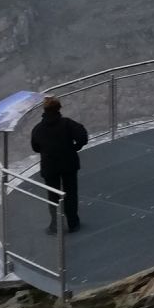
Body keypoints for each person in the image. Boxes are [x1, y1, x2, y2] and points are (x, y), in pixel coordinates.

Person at [30, 97, 88, 234]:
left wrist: (47, 150)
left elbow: (35, 147)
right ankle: (73, 223)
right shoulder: (67, 124)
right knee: (71, 193)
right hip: (69, 163)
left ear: (44, 110)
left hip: (50, 166)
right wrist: (75, 147)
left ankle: (56, 226)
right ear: (59, 109)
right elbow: (82, 135)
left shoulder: (38, 129)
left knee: (53, 196)